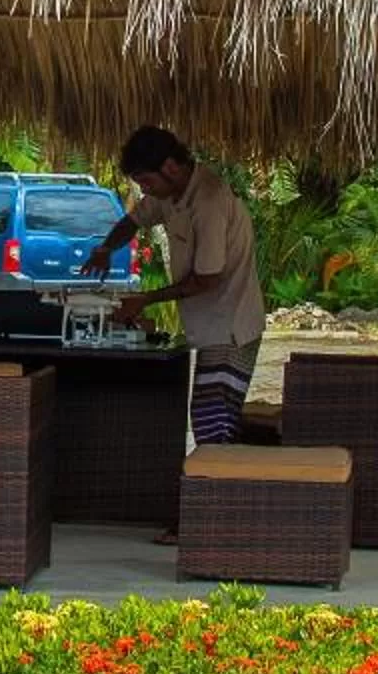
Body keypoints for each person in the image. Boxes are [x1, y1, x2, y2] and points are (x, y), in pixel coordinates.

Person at [84, 125, 268, 455]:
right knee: (213, 421)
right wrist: (105, 249)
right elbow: (133, 221)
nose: (145, 190)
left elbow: (207, 278)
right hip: (211, 324)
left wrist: (146, 299)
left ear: (170, 167)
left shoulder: (209, 201)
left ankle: (224, 481)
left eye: (147, 182)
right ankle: (222, 479)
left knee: (213, 421)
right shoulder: (169, 193)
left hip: (232, 325)